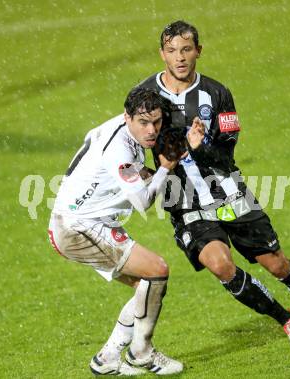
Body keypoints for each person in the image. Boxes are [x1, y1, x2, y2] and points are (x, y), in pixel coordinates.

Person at [135, 20, 290, 354]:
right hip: (184, 202)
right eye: (171, 51)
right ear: (162, 54)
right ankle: (287, 321)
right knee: (221, 265)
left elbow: (227, 154)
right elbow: (130, 137)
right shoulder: (146, 94)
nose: (179, 58)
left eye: (186, 49)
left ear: (198, 50)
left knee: (277, 264)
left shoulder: (217, 93)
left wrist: (200, 146)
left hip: (228, 192)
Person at [48, 88, 184, 375]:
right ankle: (141, 353)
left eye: (157, 122)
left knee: (146, 289)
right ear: (127, 118)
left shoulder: (119, 129)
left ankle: (107, 358)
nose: (152, 130)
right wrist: (164, 169)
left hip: (82, 219)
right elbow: (144, 202)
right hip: (77, 228)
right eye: (144, 123)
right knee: (157, 270)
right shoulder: (119, 150)